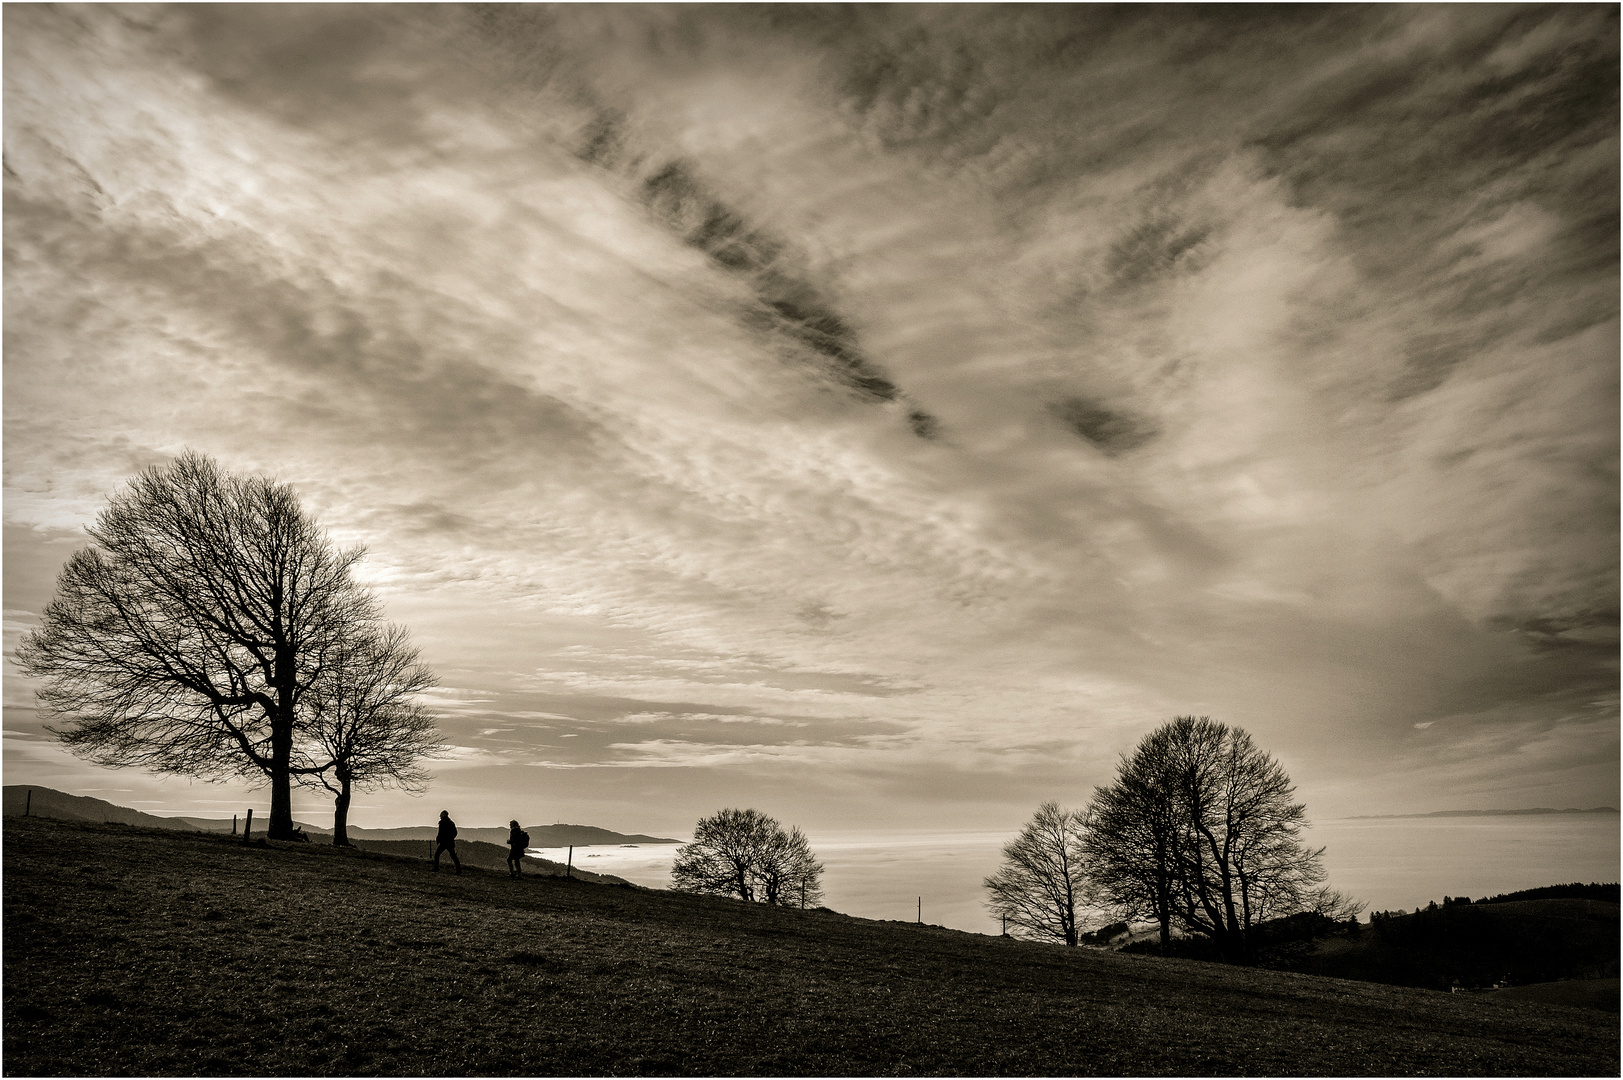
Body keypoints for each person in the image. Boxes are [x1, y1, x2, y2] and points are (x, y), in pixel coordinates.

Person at [433, 810, 461, 874]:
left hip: (444, 842)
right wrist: (451, 838)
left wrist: (439, 839)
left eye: (441, 814)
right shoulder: (451, 823)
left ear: (443, 815)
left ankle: (436, 868)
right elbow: (455, 833)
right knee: (453, 856)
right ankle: (458, 870)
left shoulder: (443, 822)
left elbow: (441, 833)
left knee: (437, 854)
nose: (440, 815)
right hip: (449, 842)